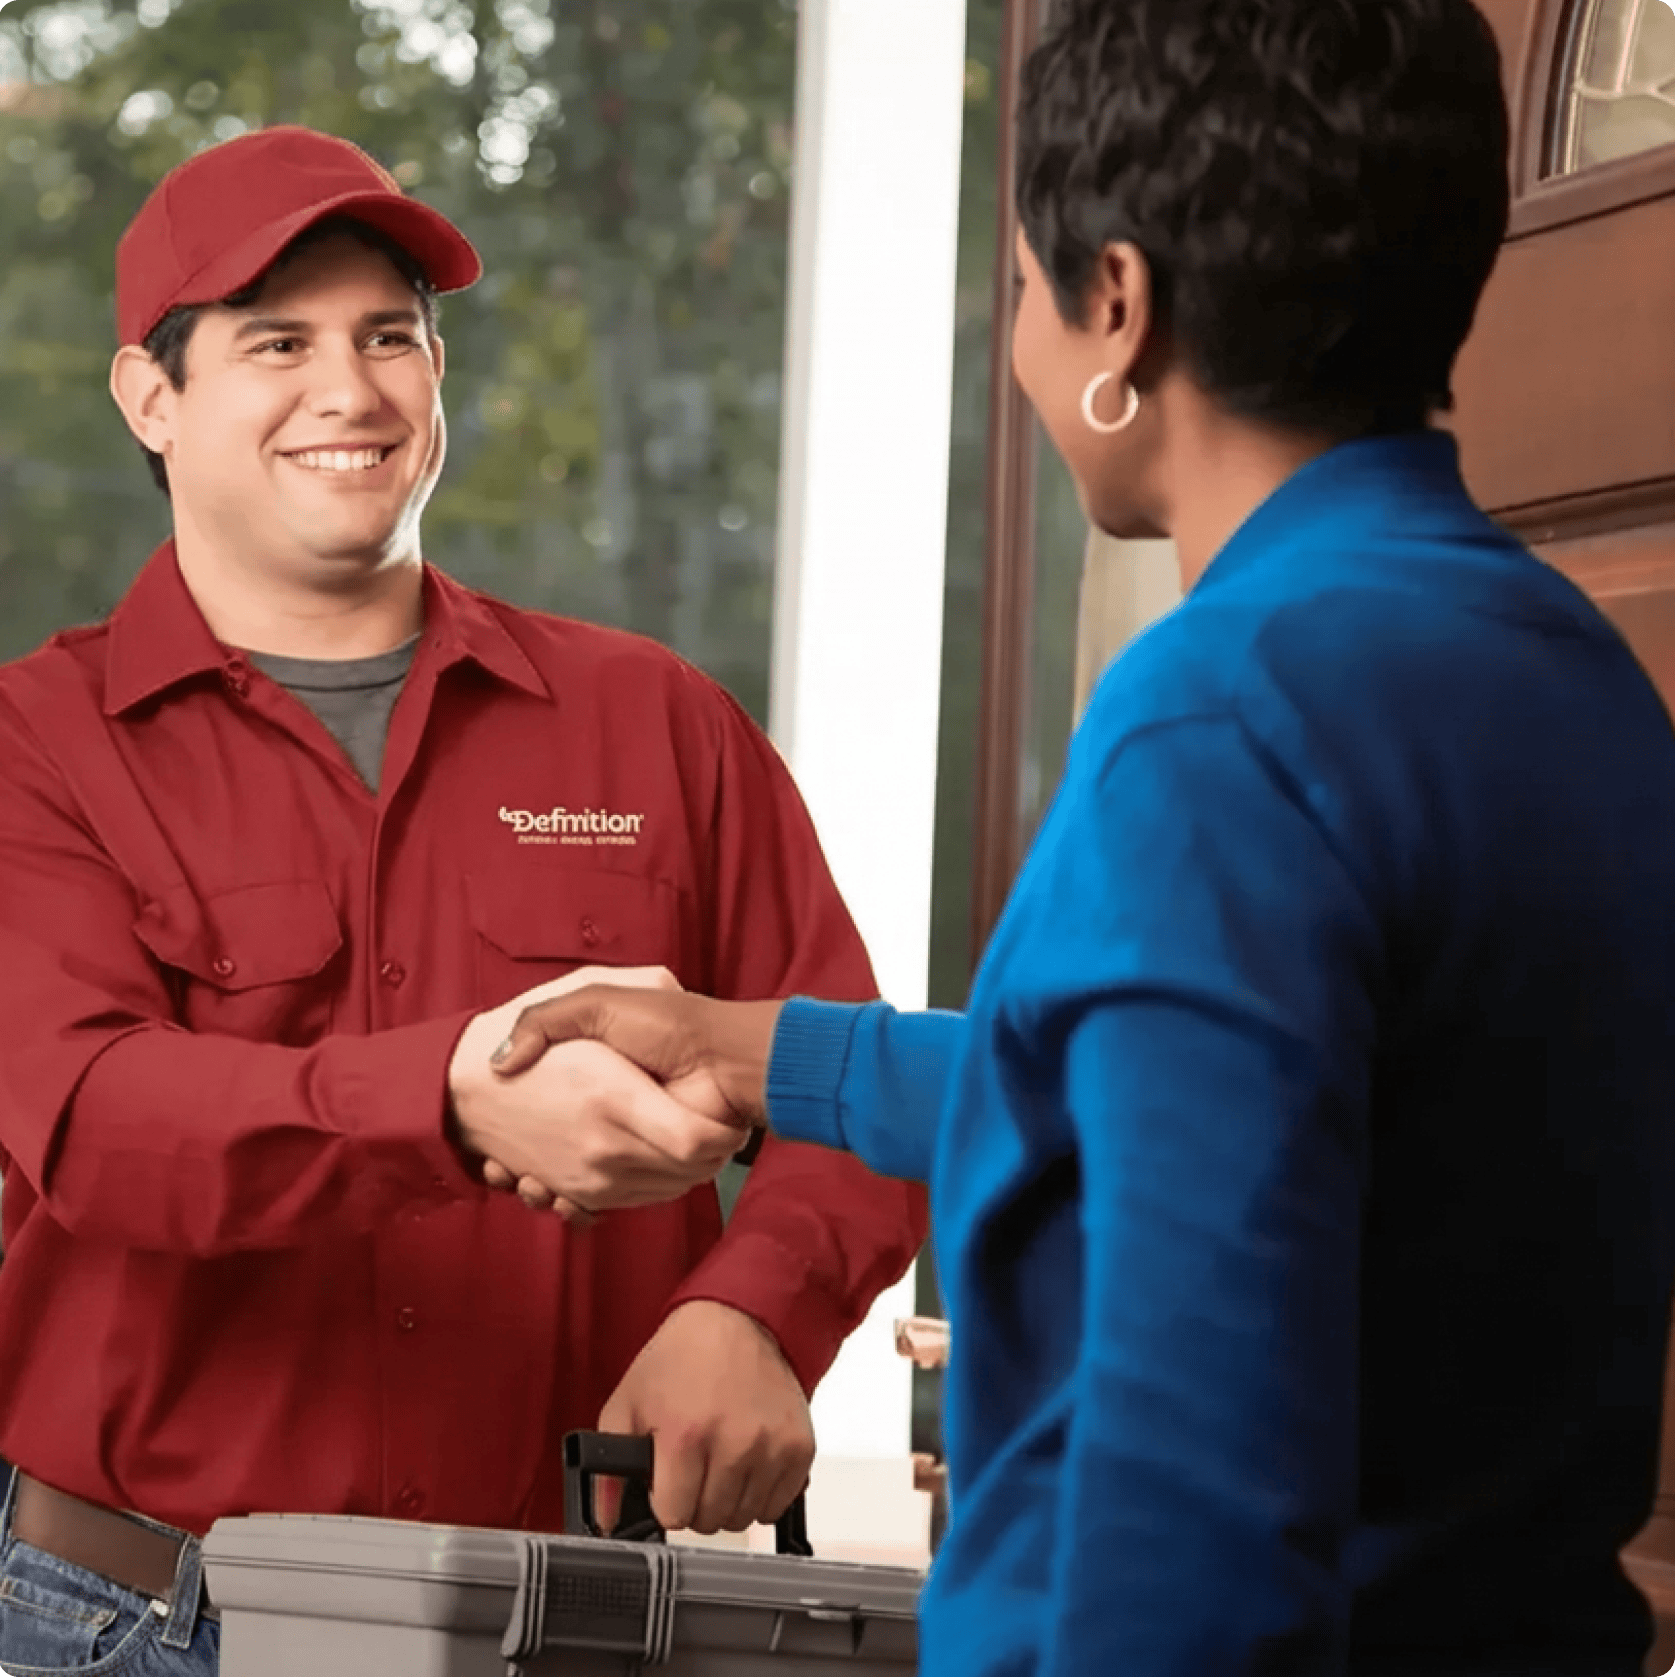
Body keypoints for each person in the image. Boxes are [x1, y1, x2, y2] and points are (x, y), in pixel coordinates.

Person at [482, 1, 1675, 1673]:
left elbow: (1194, 1486)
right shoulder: (1571, 677)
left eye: (1027, 287)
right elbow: (1271, 1119)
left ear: (1116, 303)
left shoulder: (1223, 724)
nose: (1023, 337)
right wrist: (760, 1054)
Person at [0, 125, 925, 1675]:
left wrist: (755, 1312)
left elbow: (855, 1082)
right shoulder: (34, 747)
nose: (350, 392)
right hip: (128, 1627)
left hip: (569, 1624)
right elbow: (96, 1117)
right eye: (277, 342)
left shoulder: (657, 723)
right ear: (151, 398)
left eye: (391, 340)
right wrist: (444, 1101)